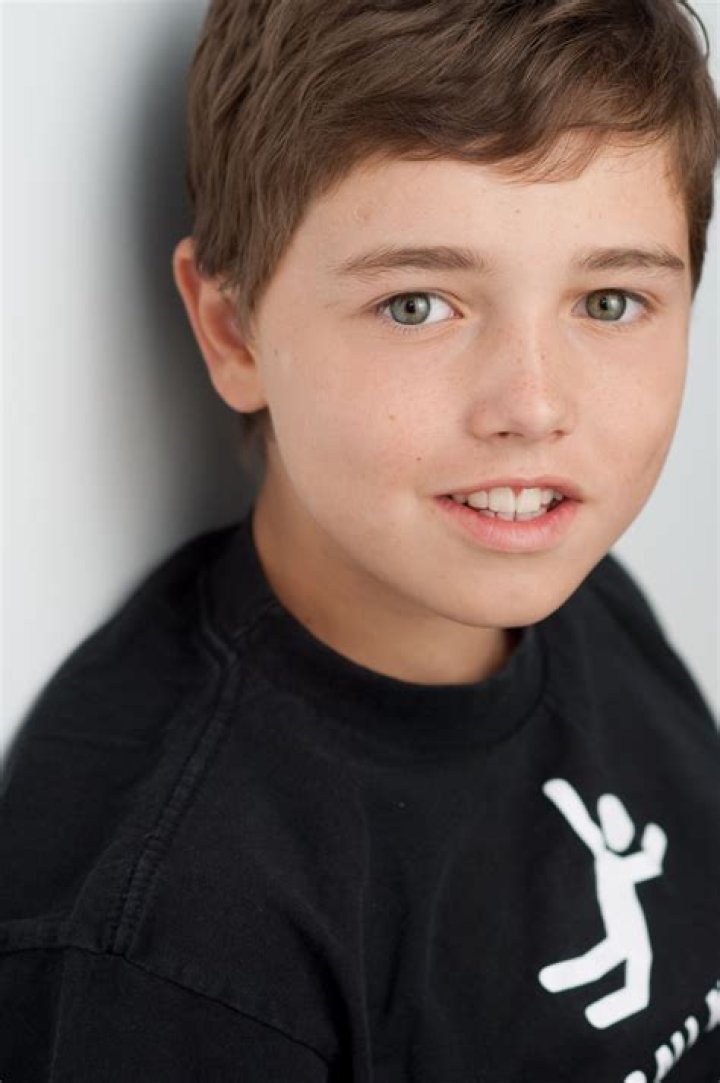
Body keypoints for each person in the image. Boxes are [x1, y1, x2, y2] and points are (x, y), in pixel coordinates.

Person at [1, 0, 718, 1079]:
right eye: (418, 305)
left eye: (609, 301)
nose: (534, 407)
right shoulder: (176, 948)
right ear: (234, 332)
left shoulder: (585, 595)